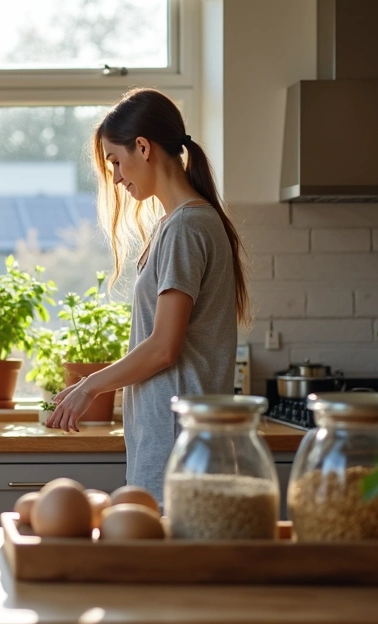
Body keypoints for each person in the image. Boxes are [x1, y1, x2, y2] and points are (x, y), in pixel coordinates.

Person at [43, 89, 250, 502]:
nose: (117, 177)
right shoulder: (180, 223)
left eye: (117, 161)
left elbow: (162, 348)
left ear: (143, 147)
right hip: (173, 438)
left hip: (175, 441)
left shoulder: (185, 228)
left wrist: (89, 387)